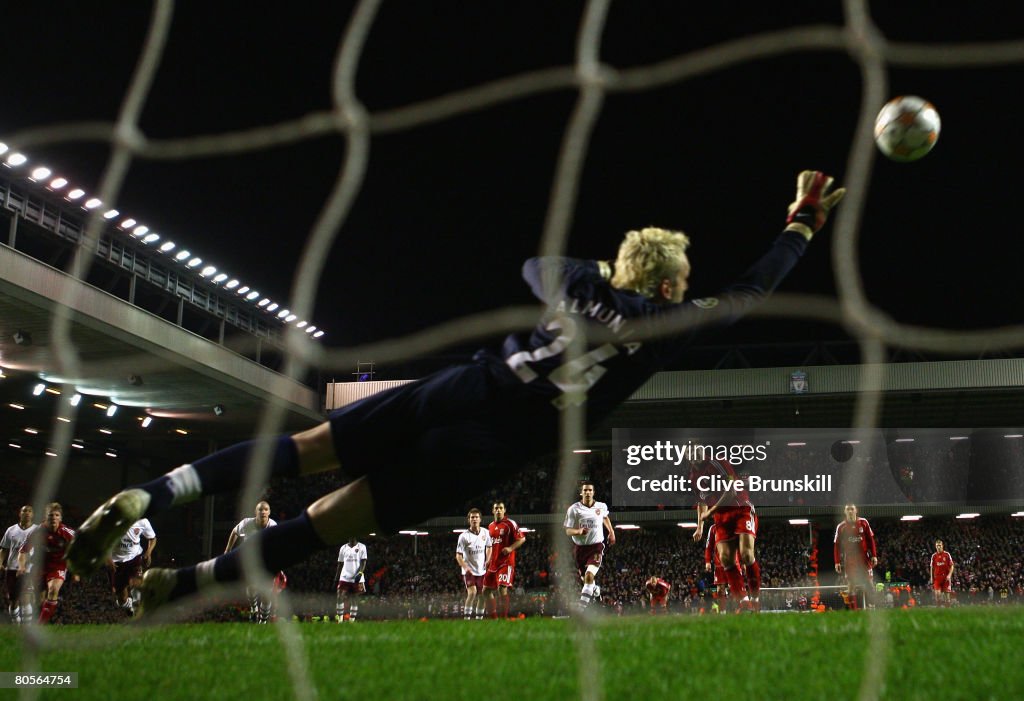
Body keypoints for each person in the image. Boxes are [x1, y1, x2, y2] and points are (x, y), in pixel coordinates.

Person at [65, 171, 845, 617]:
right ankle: (180, 584)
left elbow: (535, 267)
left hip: (457, 388)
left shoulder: (573, 285)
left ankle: (155, 493)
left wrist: (597, 279)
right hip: (488, 445)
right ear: (671, 283)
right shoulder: (667, 322)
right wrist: (800, 227)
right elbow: (747, 293)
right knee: (325, 521)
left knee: (305, 450)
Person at [690, 456, 760, 611]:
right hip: (721, 517)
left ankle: (755, 599)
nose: (693, 454)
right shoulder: (694, 477)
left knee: (747, 555)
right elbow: (701, 502)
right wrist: (700, 527)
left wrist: (710, 512)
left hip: (740, 508)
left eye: (696, 449)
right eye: (688, 451)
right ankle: (745, 604)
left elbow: (731, 490)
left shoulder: (718, 463)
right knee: (726, 560)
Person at [18, 503, 75, 624]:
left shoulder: (68, 533)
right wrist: (22, 566)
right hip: (40, 566)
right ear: (45, 517)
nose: (53, 517)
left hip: (58, 566)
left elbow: (78, 551)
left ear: (60, 518)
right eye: (50, 515)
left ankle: (40, 625)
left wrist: (76, 570)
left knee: (53, 590)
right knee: (38, 601)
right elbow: (23, 551)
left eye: (56, 515)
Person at [563, 481, 614, 610]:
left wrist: (611, 532)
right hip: (580, 549)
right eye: (585, 490)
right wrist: (578, 531)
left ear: (593, 492)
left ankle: (581, 608)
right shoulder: (574, 509)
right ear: (581, 493)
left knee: (589, 575)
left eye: (590, 490)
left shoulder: (601, 506)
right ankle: (595, 590)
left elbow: (605, 517)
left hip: (596, 547)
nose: (587, 492)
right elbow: (568, 530)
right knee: (586, 580)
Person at [226, 501, 278, 623]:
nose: (263, 512)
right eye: (260, 509)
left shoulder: (273, 526)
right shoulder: (247, 523)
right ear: (256, 512)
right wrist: (227, 550)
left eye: (265, 509)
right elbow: (234, 532)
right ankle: (254, 607)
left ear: (269, 512)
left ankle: (263, 621)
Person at [483, 502, 525, 619]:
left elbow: (522, 539)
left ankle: (503, 618)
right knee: (485, 591)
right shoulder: (490, 526)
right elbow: (489, 545)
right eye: (496, 508)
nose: (498, 510)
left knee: (502, 588)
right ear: (493, 511)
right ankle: (494, 618)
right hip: (493, 563)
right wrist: (487, 559)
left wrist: (510, 548)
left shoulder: (510, 524)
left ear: (504, 510)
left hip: (505, 562)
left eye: (500, 508)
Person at [108, 518, 156, 617]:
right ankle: (128, 604)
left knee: (136, 582)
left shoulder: (143, 522)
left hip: (135, 557)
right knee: (122, 600)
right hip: (117, 562)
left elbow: (152, 538)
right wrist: (108, 559)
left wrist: (148, 552)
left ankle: (138, 608)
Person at [833, 503, 878, 609]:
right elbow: (837, 545)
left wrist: (874, 555)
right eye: (848, 509)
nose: (850, 511)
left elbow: (870, 540)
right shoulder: (841, 526)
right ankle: (853, 612)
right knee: (851, 586)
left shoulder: (864, 522)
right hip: (850, 560)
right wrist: (837, 562)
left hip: (864, 559)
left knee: (870, 584)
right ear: (845, 511)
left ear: (856, 510)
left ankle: (872, 608)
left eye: (852, 509)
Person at [0, 505, 34, 623]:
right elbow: (4, 549)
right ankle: (17, 625)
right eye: (25, 511)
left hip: (28, 569)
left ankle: (27, 627)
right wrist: (0, 562)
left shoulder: (37, 530)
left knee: (25, 598)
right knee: (13, 600)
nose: (27, 513)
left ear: (33, 514)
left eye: (30, 511)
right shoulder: (11, 530)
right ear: (20, 513)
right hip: (11, 568)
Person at [455, 508, 490, 619]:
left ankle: (478, 620)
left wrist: (488, 560)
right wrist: (465, 567)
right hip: (469, 571)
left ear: (480, 519)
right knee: (472, 593)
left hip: (482, 570)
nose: (474, 519)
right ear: (469, 520)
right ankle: (467, 619)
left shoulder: (486, 532)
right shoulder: (463, 536)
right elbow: (458, 556)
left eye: (476, 517)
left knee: (482, 596)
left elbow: (489, 547)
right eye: (472, 517)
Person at [335, 537, 367, 622]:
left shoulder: (362, 547)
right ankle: (340, 620)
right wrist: (336, 578)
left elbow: (364, 561)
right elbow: (340, 563)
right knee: (339, 596)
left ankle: (351, 621)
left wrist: (360, 573)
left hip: (357, 577)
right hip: (344, 576)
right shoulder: (343, 547)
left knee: (354, 599)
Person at [930, 539, 955, 607]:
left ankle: (948, 611)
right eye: (937, 546)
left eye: (940, 545)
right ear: (935, 546)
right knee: (938, 595)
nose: (938, 547)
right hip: (937, 578)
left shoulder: (947, 554)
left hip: (946, 578)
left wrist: (949, 575)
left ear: (942, 546)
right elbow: (931, 567)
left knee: (947, 597)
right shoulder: (934, 556)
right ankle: (939, 610)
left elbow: (952, 566)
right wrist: (931, 577)